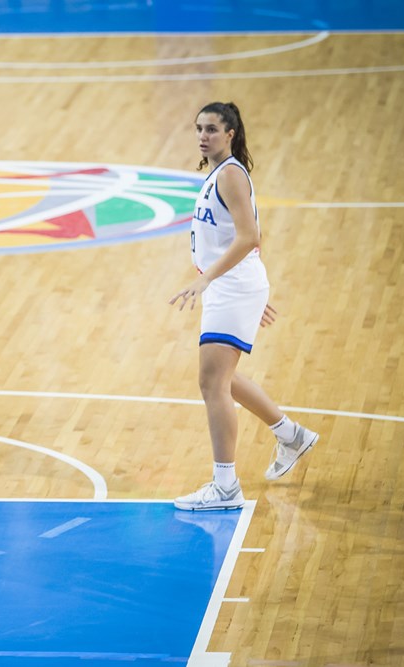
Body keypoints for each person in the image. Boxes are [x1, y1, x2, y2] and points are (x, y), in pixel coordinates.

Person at [169, 101, 320, 512]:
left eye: (212, 129)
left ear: (231, 133)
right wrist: (255, 289)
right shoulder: (222, 172)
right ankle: (291, 434)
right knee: (223, 378)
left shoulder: (231, 173)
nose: (203, 135)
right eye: (199, 128)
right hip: (235, 286)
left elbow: (248, 236)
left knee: (211, 383)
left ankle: (225, 487)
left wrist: (210, 279)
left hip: (230, 286)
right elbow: (252, 233)